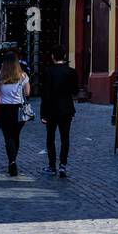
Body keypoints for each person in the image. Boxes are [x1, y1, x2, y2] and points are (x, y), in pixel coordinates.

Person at [0, 52, 30, 177]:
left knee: (8, 137)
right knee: (16, 136)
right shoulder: (23, 76)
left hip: (5, 109)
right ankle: (13, 160)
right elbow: (28, 92)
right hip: (18, 109)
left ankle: (12, 162)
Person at [41, 45, 77, 178]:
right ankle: (63, 165)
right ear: (64, 56)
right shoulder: (71, 71)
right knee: (65, 137)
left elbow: (45, 94)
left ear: (52, 57)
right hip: (67, 108)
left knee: (50, 138)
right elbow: (75, 91)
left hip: (51, 109)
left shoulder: (48, 72)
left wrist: (43, 113)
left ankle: (51, 165)